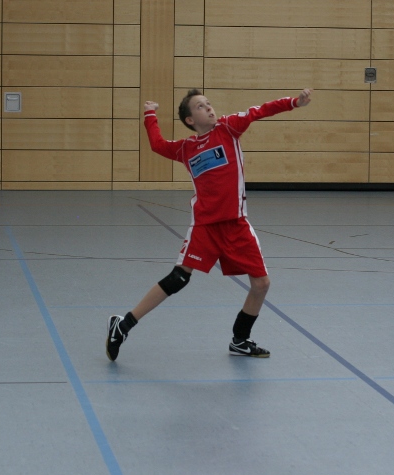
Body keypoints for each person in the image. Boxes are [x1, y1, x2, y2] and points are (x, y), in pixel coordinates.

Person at [106, 87, 313, 361]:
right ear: (190, 119)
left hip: (236, 224)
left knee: (261, 284)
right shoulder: (186, 148)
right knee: (179, 278)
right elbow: (157, 144)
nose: (209, 108)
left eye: (208, 103)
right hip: (204, 227)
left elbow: (260, 111)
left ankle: (240, 340)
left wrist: (294, 102)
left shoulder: (228, 128)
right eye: (200, 106)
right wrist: (149, 114)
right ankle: (123, 325)